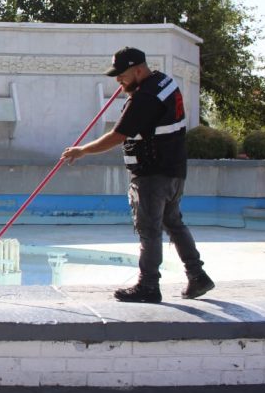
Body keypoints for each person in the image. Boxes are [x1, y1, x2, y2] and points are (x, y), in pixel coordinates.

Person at [62, 47, 214, 304]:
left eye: (122, 75)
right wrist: (131, 89)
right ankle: (197, 275)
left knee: (149, 230)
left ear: (139, 70)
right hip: (174, 171)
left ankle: (148, 286)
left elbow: (117, 136)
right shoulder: (164, 82)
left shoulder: (144, 98)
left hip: (152, 175)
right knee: (173, 223)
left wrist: (82, 150)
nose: (118, 80)